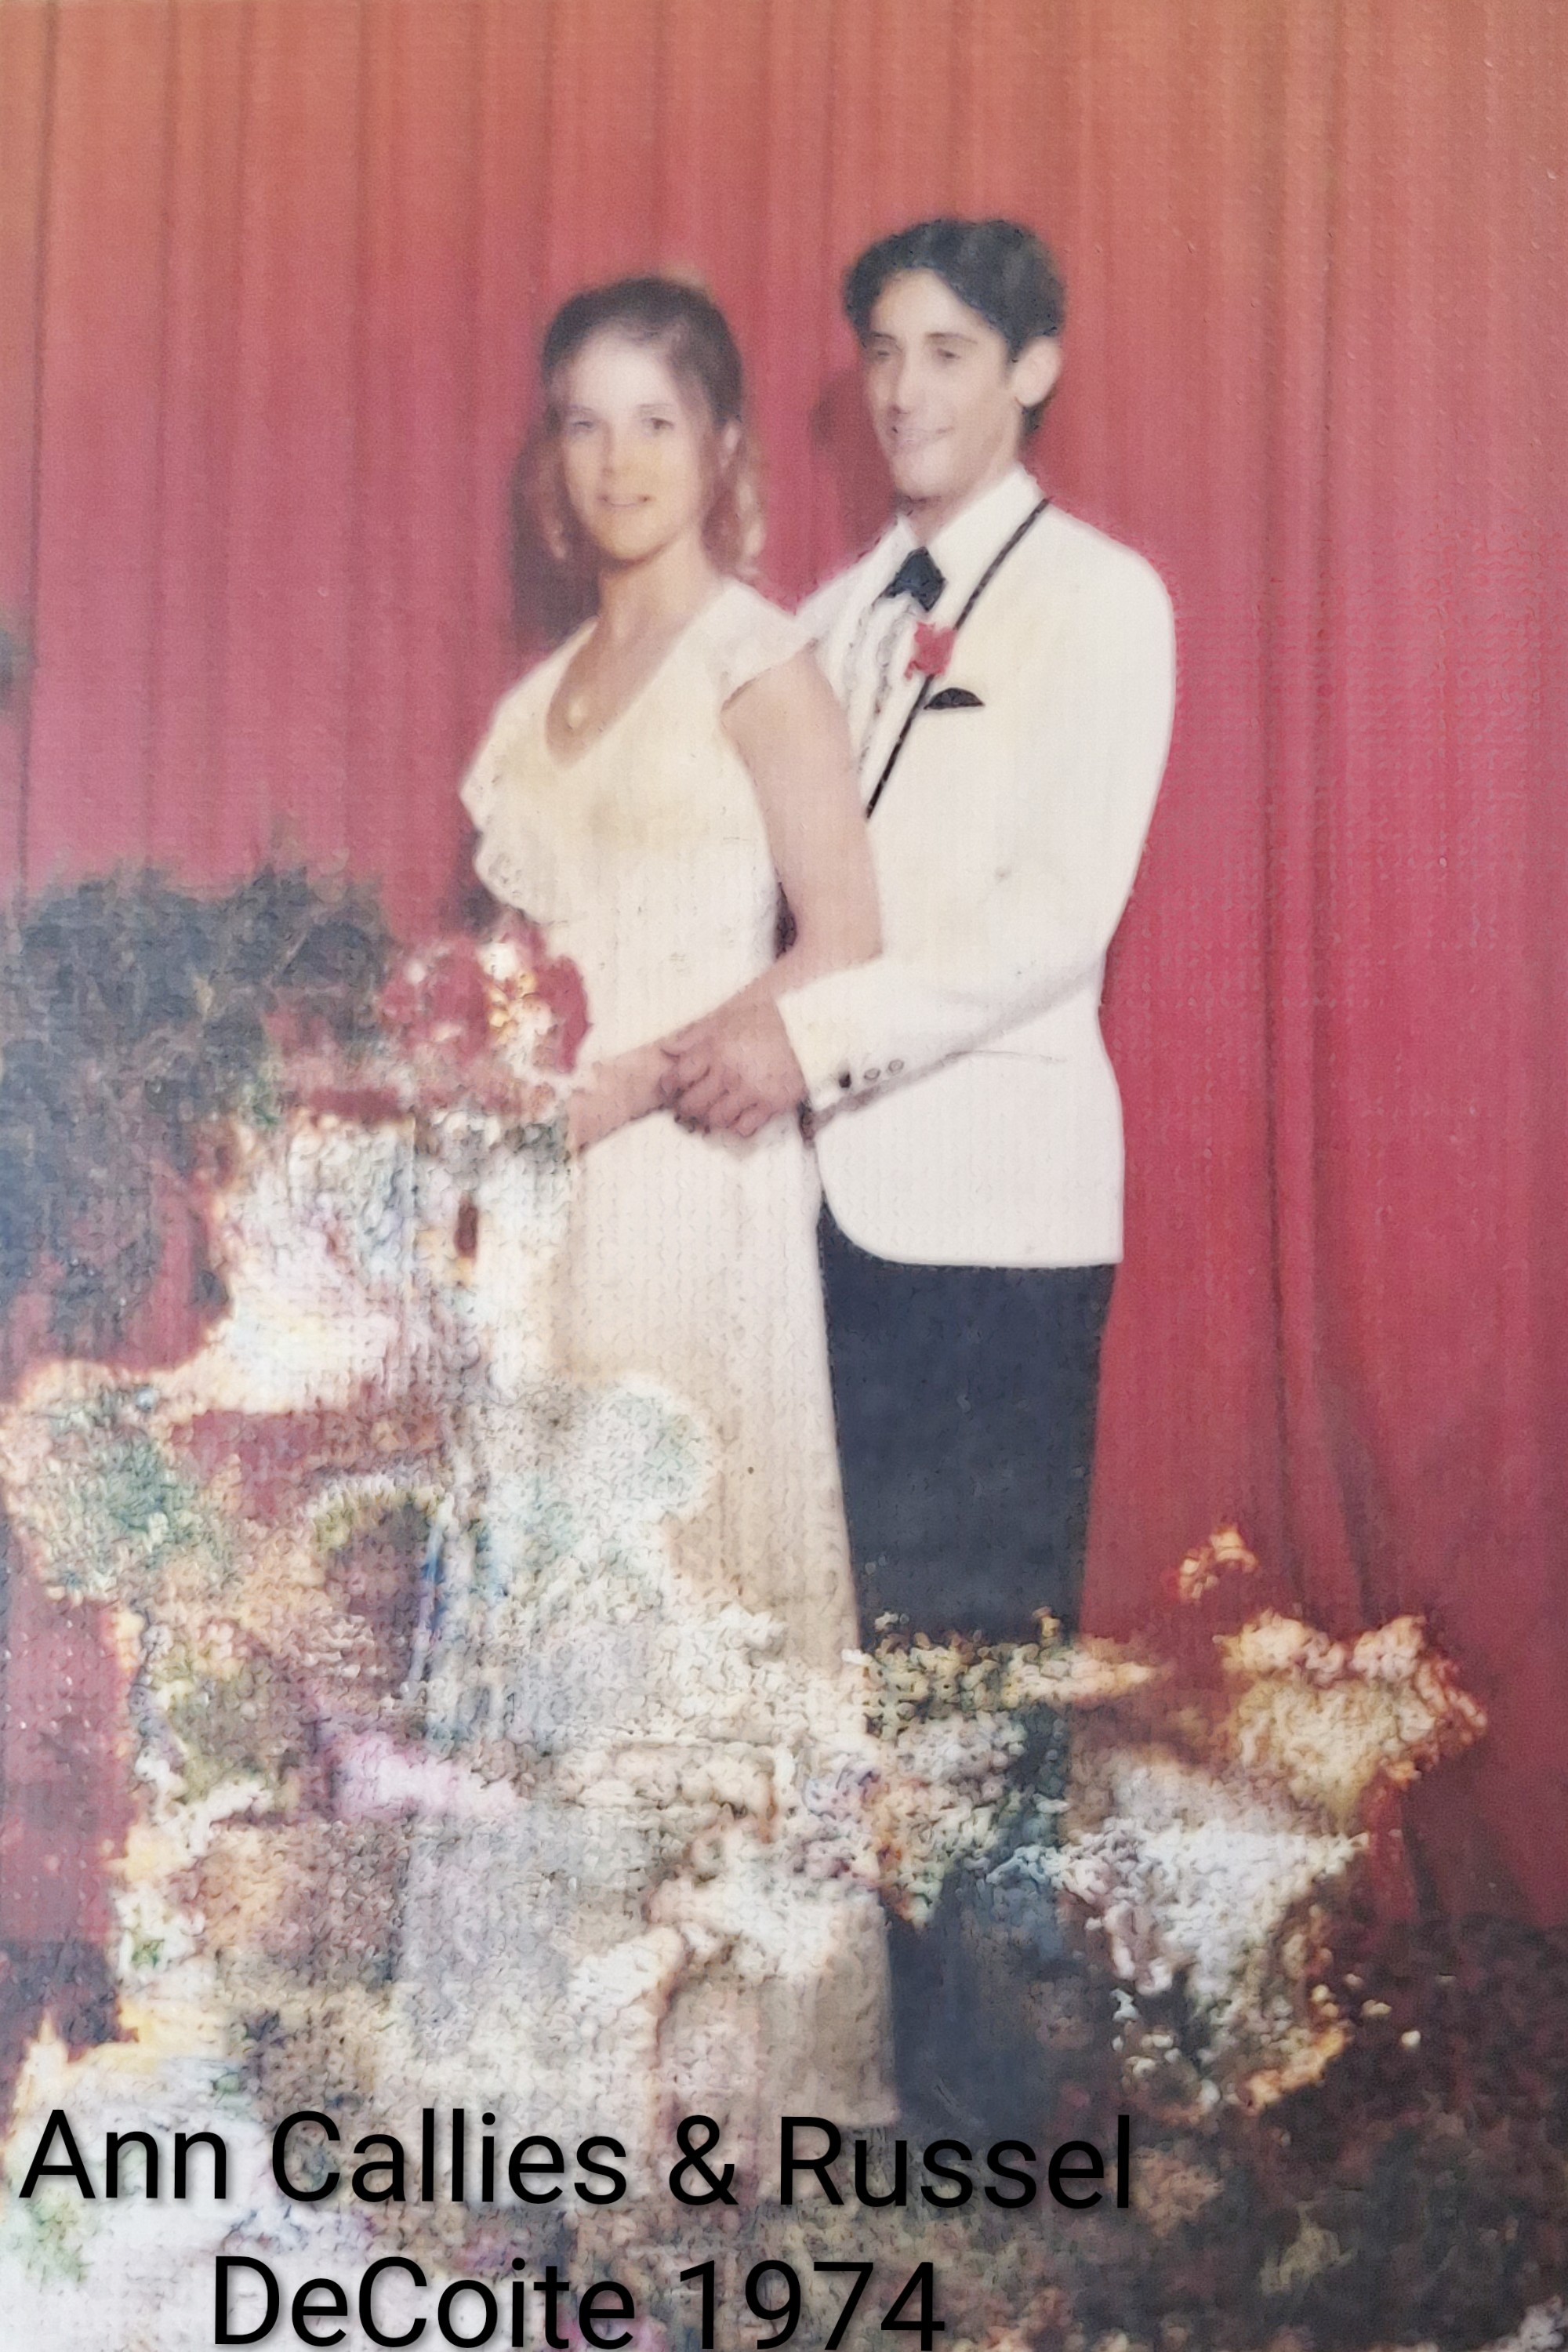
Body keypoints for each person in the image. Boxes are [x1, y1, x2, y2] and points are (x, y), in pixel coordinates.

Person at [664, 218, 1177, 1655]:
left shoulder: (1103, 601)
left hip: (995, 1215)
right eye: (883, 354)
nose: (905, 392)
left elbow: (1056, 922)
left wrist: (803, 1042)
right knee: (832, 1665)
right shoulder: (823, 622)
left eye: (948, 354)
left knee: (979, 1679)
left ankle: (991, 1897)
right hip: (802, 1208)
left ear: (1033, 370)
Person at [462, 275, 881, 1676]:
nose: (619, 462)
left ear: (720, 449)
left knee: (682, 1578)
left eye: (655, 422)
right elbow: (509, 985)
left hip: (697, 1175)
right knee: (552, 1595)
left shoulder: (757, 663)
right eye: (587, 425)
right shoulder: (533, 708)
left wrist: (627, 1088)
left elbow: (842, 945)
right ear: (552, 453)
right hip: (546, 1198)